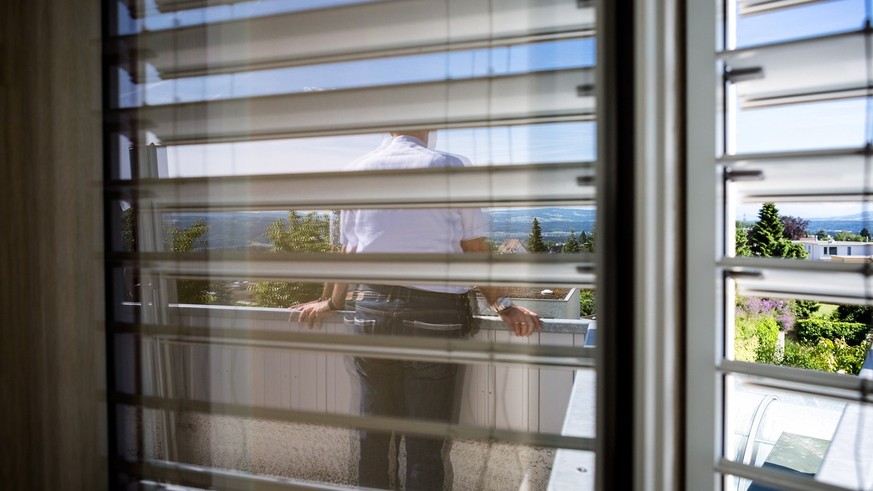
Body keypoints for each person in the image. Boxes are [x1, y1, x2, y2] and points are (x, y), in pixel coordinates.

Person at [293, 131, 541, 490]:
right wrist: (502, 305)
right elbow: (473, 247)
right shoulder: (449, 167)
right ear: (428, 128)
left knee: (373, 438)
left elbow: (348, 251)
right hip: (433, 316)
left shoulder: (355, 171)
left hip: (372, 312)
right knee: (424, 447)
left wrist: (332, 301)